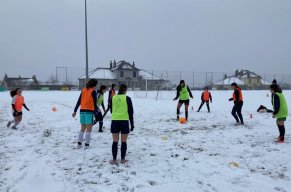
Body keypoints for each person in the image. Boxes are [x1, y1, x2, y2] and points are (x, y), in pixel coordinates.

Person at [110, 84, 134, 164]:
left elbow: (111, 109)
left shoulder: (113, 98)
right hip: (124, 121)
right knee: (124, 141)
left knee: (115, 141)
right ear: (125, 90)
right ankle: (122, 159)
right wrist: (132, 124)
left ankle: (114, 159)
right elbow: (130, 113)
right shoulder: (127, 98)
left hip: (115, 121)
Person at [72, 79, 99, 149]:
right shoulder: (93, 91)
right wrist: (96, 112)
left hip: (82, 111)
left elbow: (79, 101)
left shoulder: (83, 90)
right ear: (94, 85)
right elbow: (95, 103)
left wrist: (75, 111)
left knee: (82, 129)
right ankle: (87, 145)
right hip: (89, 111)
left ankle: (79, 144)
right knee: (89, 129)